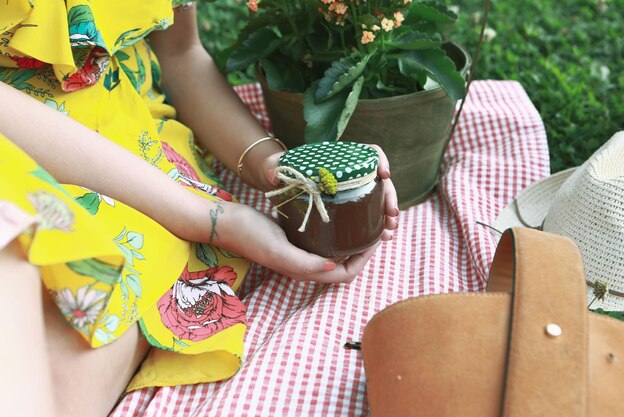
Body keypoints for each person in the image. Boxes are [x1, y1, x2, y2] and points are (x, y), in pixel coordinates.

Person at [0, 2, 398, 417]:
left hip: (142, 169)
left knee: (68, 383)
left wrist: (275, 167)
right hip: (16, 154)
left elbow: (179, 54)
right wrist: (208, 221)